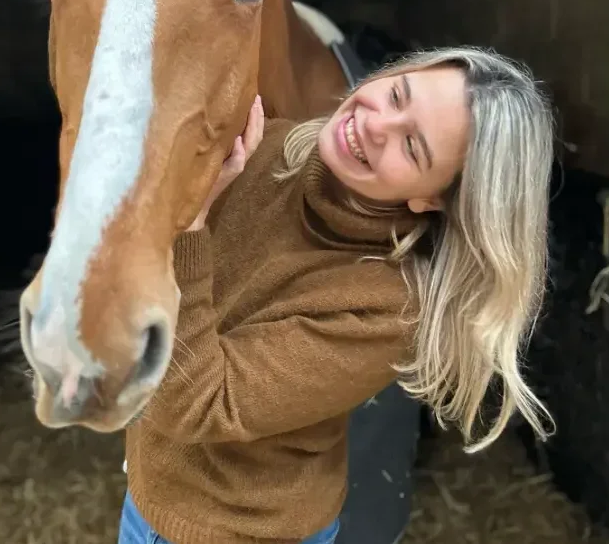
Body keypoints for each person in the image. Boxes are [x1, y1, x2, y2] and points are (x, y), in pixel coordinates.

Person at [118, 46, 555, 544]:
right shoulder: (273, 147)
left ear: (432, 198)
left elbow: (199, 405)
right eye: (396, 94)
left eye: (412, 146)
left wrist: (188, 219)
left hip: (235, 530)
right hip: (151, 494)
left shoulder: (386, 308)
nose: (376, 125)